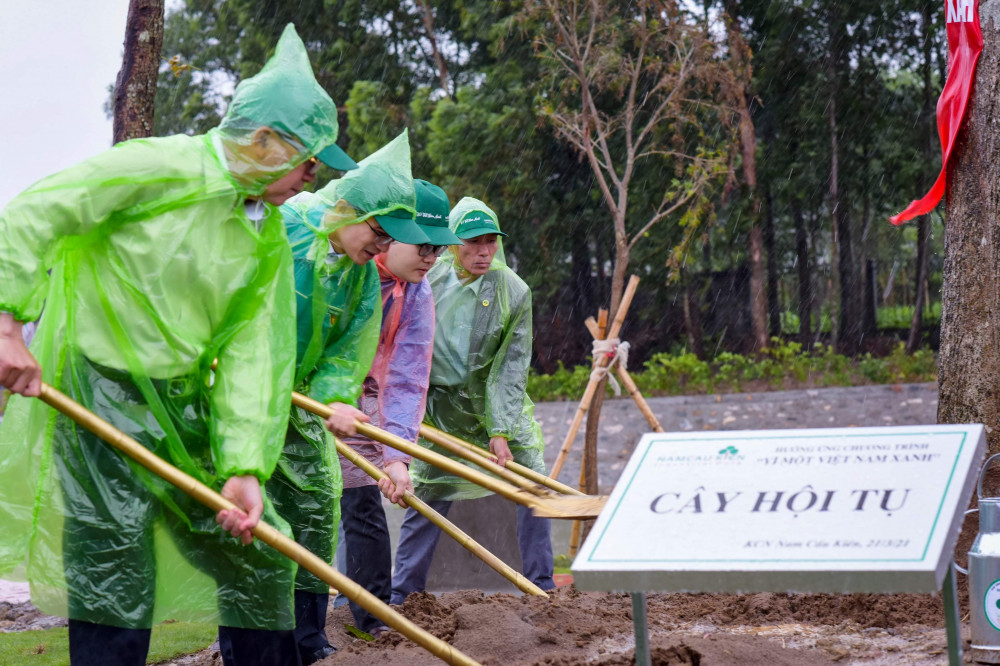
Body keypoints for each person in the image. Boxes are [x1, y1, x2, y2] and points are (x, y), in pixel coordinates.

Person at [0, 24, 354, 666]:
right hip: (99, 401)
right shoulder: (155, 167)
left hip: (184, 411)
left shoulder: (266, 233)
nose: (312, 176)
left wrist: (244, 467)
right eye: (308, 159)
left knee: (259, 554)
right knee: (115, 580)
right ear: (264, 142)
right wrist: (5, 324)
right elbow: (34, 214)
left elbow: (253, 356)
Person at [262, 131, 427, 664]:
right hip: (251, 399)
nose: (381, 248)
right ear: (350, 210)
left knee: (315, 511)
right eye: (380, 234)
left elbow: (348, 349)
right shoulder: (284, 225)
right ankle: (259, 647)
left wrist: (334, 395)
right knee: (259, 528)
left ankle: (308, 642)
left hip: (303, 409)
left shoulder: (359, 277)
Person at [390, 197, 556, 604]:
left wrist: (500, 429)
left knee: (532, 483)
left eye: (490, 242)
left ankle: (543, 587)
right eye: (473, 242)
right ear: (452, 244)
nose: (483, 252)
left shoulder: (513, 291)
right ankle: (403, 593)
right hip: (441, 411)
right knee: (428, 492)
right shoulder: (426, 279)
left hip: (493, 405)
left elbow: (511, 366)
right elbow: (405, 347)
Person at [336, 179, 461, 637]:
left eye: (438, 249)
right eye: (423, 246)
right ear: (393, 233)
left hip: (364, 402)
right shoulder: (350, 271)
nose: (431, 258)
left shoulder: (418, 293)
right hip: (315, 399)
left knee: (362, 505)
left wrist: (397, 457)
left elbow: (408, 378)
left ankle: (372, 622)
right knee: (309, 513)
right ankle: (302, 633)